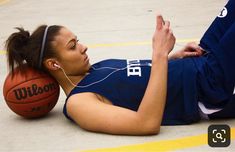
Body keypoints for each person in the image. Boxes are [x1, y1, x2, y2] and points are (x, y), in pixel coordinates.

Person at [5, 0, 235, 135]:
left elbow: (145, 76)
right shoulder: (78, 102)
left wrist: (172, 57)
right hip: (206, 85)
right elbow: (146, 123)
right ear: (54, 64)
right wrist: (159, 54)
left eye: (78, 40)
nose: (84, 48)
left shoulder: (95, 69)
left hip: (199, 62)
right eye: (73, 46)